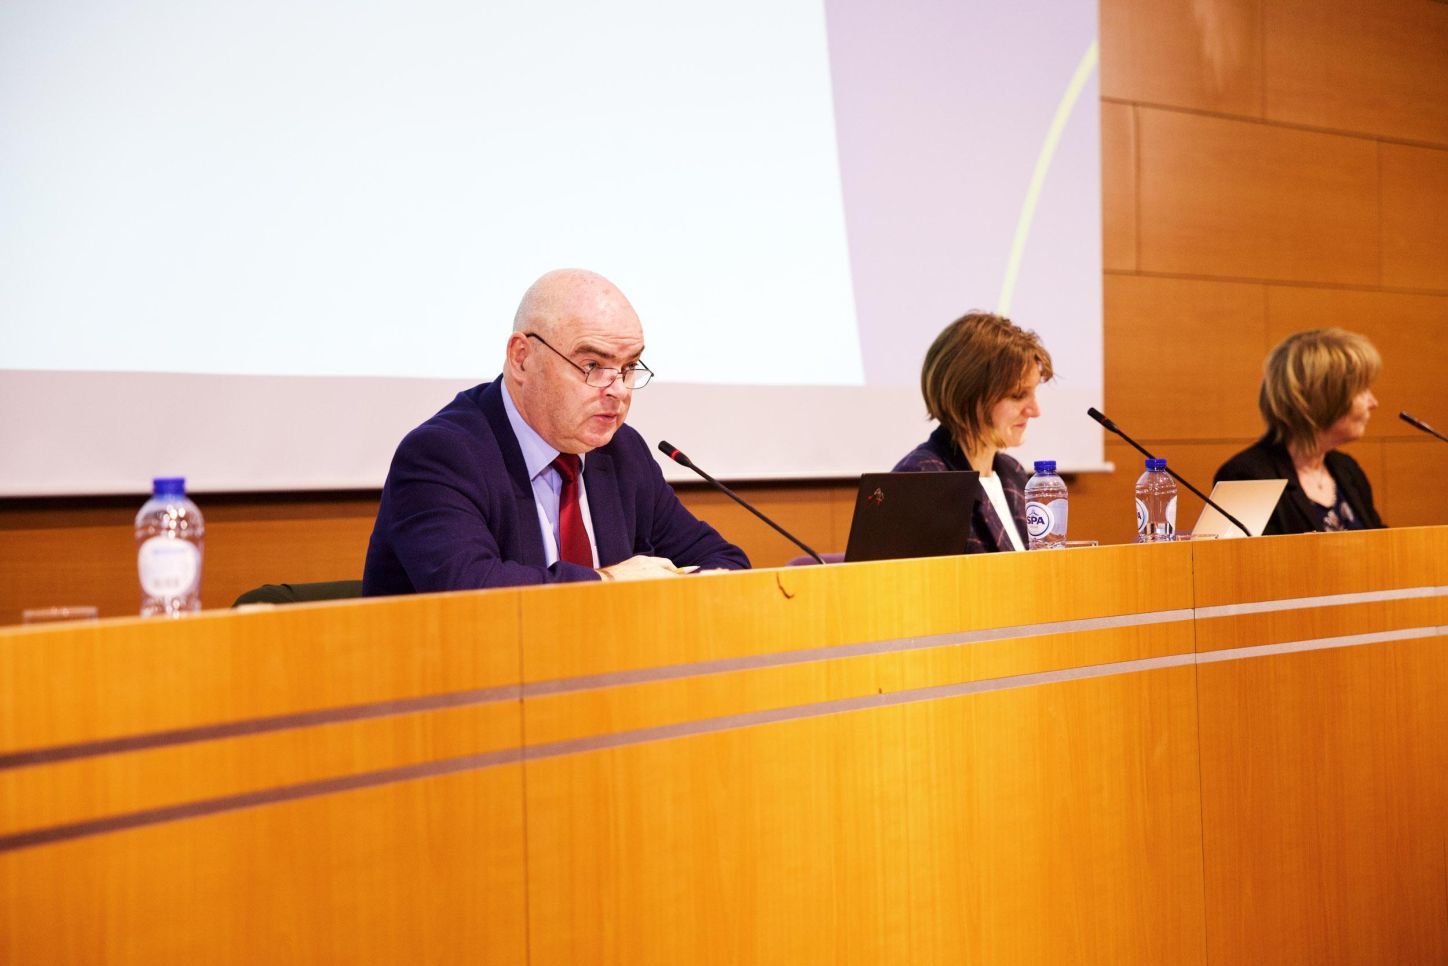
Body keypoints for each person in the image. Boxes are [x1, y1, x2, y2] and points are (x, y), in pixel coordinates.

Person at [363, 269, 749, 594]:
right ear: (522, 358)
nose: (618, 390)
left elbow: (724, 562)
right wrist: (609, 582)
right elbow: (472, 591)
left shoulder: (622, 451)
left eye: (629, 368)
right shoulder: (442, 455)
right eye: (593, 365)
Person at [893, 311, 1053, 553]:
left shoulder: (1014, 473)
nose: (1035, 411)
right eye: (1018, 395)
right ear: (969, 395)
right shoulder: (923, 481)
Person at [1215, 328, 1385, 534]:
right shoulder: (1246, 476)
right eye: (1362, 390)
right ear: (1324, 397)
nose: (1373, 402)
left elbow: (1383, 543)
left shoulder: (1347, 469)